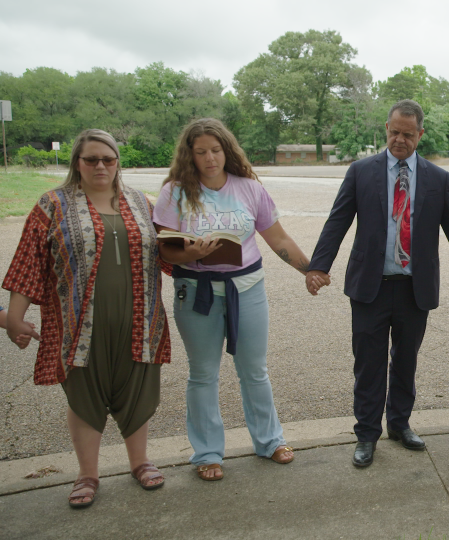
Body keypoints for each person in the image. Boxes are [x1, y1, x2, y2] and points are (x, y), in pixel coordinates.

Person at [306, 99, 449, 467]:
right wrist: (318, 266)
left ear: (420, 134)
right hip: (369, 287)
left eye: (407, 134)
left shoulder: (438, 178)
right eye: (393, 132)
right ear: (386, 130)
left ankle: (400, 424)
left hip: (413, 287)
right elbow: (337, 221)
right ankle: (367, 434)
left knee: (405, 361)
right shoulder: (361, 171)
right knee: (368, 364)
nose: (399, 140)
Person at [4, 129, 171, 508]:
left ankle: (140, 462)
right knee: (84, 397)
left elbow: (172, 251)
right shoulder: (52, 204)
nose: (100, 166)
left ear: (117, 163)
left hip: (139, 318)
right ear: (76, 163)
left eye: (108, 159)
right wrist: (15, 318)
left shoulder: (143, 204)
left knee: (138, 391)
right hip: (77, 323)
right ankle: (88, 474)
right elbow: (28, 263)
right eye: (91, 159)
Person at [154, 118, 313, 480]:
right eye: (201, 152)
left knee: (254, 370)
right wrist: (190, 251)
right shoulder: (174, 193)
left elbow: (279, 240)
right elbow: (164, 250)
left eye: (215, 150)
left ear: (227, 151)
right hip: (197, 292)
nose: (210, 158)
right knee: (203, 374)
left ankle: (270, 441)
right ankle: (207, 453)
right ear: (189, 155)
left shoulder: (249, 189)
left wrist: (311, 270)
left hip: (248, 289)